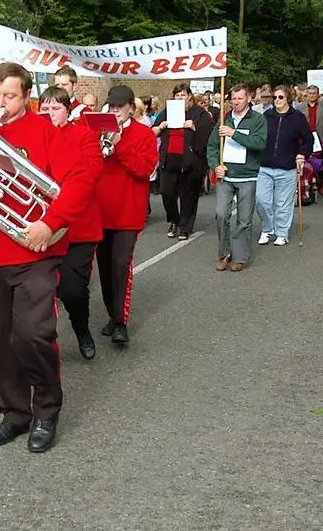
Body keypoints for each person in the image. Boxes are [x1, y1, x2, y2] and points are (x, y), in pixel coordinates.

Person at [0, 63, 92, 453]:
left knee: (34, 333)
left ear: (27, 98)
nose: (1, 104)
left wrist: (50, 222)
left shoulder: (45, 131)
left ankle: (47, 409)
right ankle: (15, 412)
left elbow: (82, 177)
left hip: (35, 250)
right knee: (1, 339)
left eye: (10, 96)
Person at [39, 87, 104, 360]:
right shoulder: (35, 135)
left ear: (68, 110)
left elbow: (91, 172)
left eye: (55, 108)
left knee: (73, 290)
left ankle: (82, 331)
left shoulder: (84, 136)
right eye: (45, 109)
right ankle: (41, 345)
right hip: (42, 225)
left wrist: (56, 140)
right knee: (41, 291)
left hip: (78, 227)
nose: (49, 114)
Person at [95, 86, 159, 345]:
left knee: (121, 264)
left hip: (127, 213)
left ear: (130, 107)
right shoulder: (99, 131)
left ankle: (121, 321)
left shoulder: (143, 134)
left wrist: (120, 146)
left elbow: (144, 169)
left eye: (119, 107)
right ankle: (112, 315)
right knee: (105, 268)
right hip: (101, 212)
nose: (115, 111)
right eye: (111, 107)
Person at [207, 84, 267, 272]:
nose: (236, 102)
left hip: (248, 176)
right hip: (226, 176)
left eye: (240, 98)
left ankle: (240, 256)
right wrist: (215, 166)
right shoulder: (224, 119)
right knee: (221, 214)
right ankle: (224, 252)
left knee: (244, 219)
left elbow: (259, 143)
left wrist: (234, 133)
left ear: (248, 98)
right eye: (233, 98)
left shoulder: (257, 120)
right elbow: (212, 146)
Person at [152, 82, 212, 241]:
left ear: (189, 96)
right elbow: (153, 131)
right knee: (167, 193)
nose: (179, 98)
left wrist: (194, 126)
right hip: (169, 159)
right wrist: (161, 127)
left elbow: (208, 132)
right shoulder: (166, 112)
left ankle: (185, 227)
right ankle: (174, 221)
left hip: (189, 161)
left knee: (188, 196)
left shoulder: (198, 112)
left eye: (183, 95)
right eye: (177, 95)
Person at [257, 84, 313, 245]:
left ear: (288, 98)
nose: (277, 100)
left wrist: (302, 154)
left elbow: (309, 140)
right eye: (275, 97)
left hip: (287, 166)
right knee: (261, 200)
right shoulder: (267, 116)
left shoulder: (297, 117)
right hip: (265, 166)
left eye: (280, 97)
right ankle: (268, 229)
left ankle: (282, 232)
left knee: (283, 203)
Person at [300, 85, 323, 192]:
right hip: (305, 137)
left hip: (320, 137)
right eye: (310, 93)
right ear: (307, 94)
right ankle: (308, 184)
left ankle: (320, 184)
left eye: (314, 93)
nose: (312, 95)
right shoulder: (300, 107)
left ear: (318, 94)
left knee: (321, 162)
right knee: (307, 161)